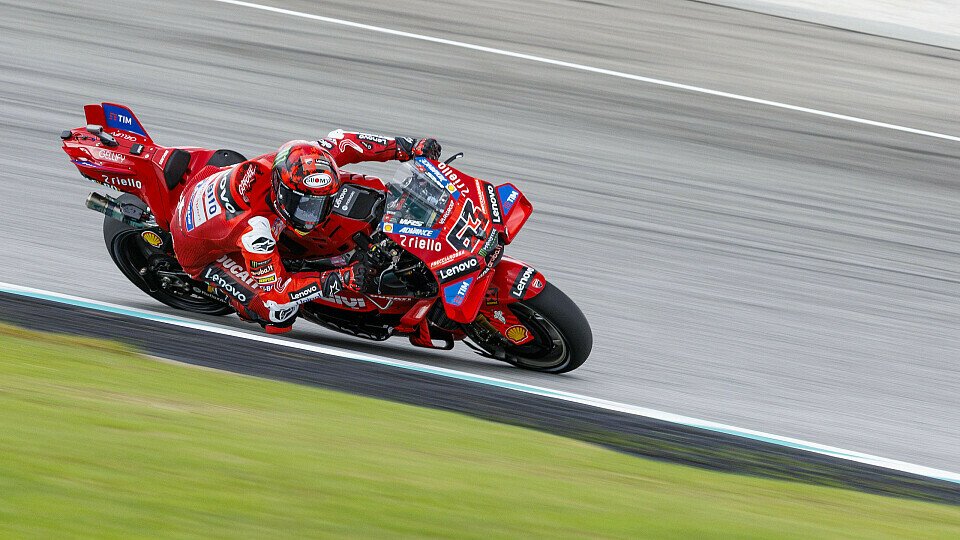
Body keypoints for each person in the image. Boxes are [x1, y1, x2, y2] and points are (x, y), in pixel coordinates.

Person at [169, 131, 441, 333]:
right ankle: (244, 304)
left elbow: (348, 142)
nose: (315, 214)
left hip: (209, 179)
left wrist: (408, 147)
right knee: (278, 314)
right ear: (282, 192)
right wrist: (342, 277)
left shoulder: (303, 159)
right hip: (198, 249)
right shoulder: (256, 230)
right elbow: (277, 292)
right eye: (306, 205)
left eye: (320, 203)